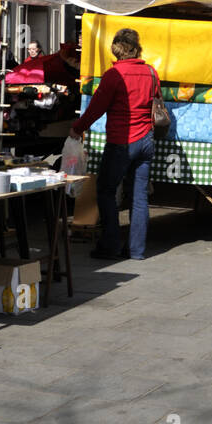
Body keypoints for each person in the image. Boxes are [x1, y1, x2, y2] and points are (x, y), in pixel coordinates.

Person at [69, 28, 158, 260]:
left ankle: (110, 246)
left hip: (122, 141)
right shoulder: (150, 72)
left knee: (106, 191)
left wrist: (78, 128)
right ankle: (137, 251)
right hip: (146, 140)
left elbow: (96, 108)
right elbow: (155, 101)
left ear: (117, 50)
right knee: (139, 196)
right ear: (136, 48)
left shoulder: (114, 75)